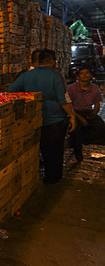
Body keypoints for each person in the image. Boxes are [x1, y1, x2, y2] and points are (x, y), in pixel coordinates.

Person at [9, 49, 76, 184]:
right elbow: (64, 99)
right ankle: (52, 178)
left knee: (37, 147)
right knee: (54, 151)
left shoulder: (26, 76)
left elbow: (10, 93)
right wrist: (72, 116)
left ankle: (34, 176)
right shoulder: (55, 76)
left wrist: (28, 100)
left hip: (33, 119)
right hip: (54, 121)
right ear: (51, 60)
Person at [67, 67, 105, 161]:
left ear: (91, 76)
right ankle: (78, 151)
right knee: (77, 129)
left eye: (87, 73)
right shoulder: (71, 89)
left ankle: (95, 146)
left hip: (88, 112)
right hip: (75, 112)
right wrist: (81, 119)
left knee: (101, 126)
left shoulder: (95, 89)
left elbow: (97, 105)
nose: (85, 75)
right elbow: (69, 106)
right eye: (82, 73)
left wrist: (94, 115)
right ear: (78, 76)